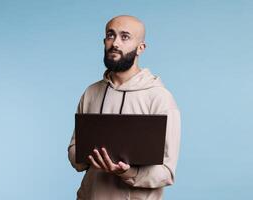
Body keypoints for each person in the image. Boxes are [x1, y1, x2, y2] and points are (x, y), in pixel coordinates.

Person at [67, 15, 181, 200]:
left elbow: (167, 172)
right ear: (104, 41)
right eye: (111, 35)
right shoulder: (91, 92)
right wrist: (91, 157)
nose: (115, 43)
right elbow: (74, 150)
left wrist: (127, 172)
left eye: (125, 37)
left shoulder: (160, 98)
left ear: (141, 48)